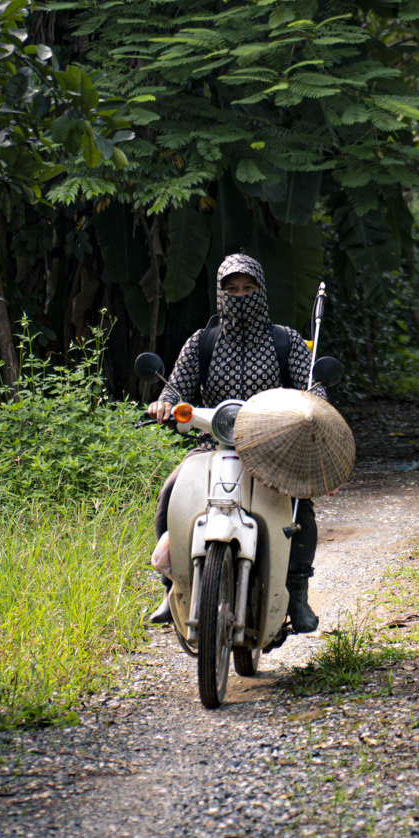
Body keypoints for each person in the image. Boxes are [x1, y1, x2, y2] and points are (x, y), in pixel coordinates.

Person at [145, 254, 326, 634]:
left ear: (261, 291)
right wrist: (165, 400)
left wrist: (316, 397)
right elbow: (176, 385)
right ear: (219, 294)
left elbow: (309, 383)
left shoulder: (285, 340)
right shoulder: (202, 342)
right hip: (214, 444)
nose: (239, 296)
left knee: (299, 508)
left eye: (248, 288)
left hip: (272, 448)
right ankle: (173, 586)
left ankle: (296, 593)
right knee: (170, 495)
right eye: (231, 289)